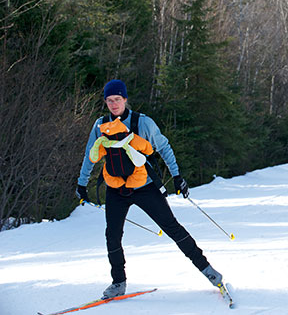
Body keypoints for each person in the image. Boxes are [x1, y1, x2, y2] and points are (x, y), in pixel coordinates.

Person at [76, 79, 223, 299]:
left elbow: (164, 147)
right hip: (116, 189)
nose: (114, 104)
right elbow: (90, 155)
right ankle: (118, 283)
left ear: (125, 99)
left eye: (117, 99)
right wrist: (81, 183)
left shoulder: (142, 123)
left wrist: (177, 176)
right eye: (109, 100)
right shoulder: (101, 125)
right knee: (112, 235)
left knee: (172, 227)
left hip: (144, 187)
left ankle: (208, 270)